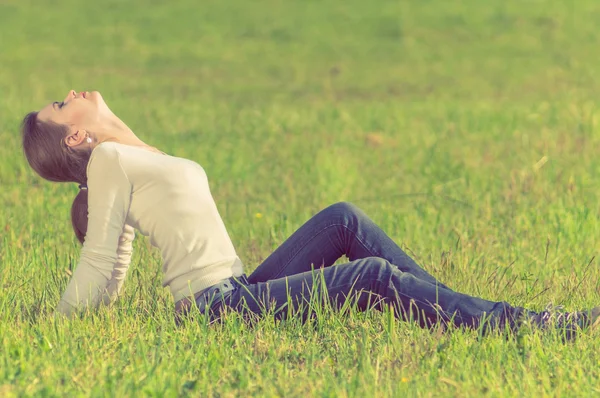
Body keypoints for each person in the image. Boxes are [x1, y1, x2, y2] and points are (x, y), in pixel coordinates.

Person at [21, 89, 599, 338]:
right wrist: (55, 322)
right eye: (59, 101)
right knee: (370, 279)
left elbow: (113, 263)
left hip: (238, 289)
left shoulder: (134, 155)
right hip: (214, 310)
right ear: (74, 134)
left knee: (342, 216)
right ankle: (509, 322)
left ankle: (451, 304)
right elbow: (104, 266)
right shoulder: (110, 162)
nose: (70, 90)